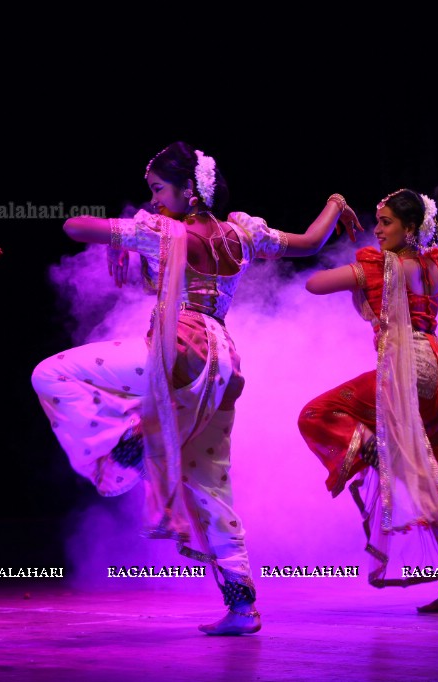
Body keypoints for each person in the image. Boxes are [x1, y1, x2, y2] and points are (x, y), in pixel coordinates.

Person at [31, 141, 360, 635]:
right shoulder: (242, 233)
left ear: (190, 189)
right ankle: (243, 606)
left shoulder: (161, 231)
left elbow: (73, 226)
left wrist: (138, 224)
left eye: (160, 189)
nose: (156, 198)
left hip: (178, 351)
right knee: (209, 484)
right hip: (224, 360)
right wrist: (335, 203)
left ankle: (133, 448)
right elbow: (310, 243)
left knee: (50, 374)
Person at [298, 188, 438, 613]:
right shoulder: (435, 267)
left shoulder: (380, 267)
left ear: (410, 227)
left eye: (386, 222)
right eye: (376, 222)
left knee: (317, 414)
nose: (377, 230)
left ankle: (376, 450)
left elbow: (312, 283)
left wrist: (359, 277)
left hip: (407, 370)